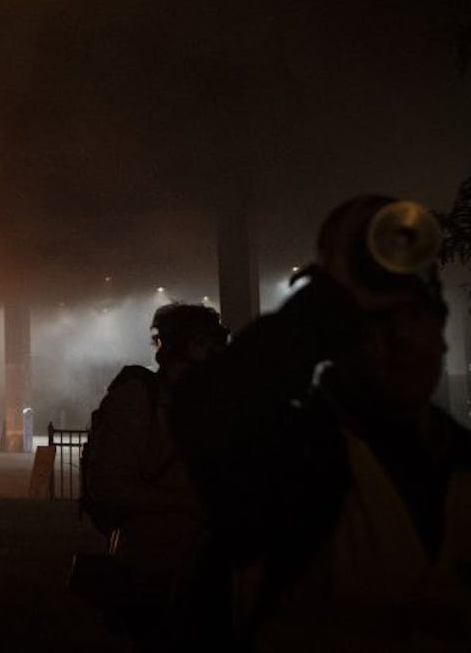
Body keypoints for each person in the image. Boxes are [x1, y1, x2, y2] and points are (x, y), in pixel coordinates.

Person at [170, 194, 471, 651]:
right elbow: (208, 408)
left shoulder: (463, 465)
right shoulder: (296, 459)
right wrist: (330, 297)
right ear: (333, 335)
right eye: (373, 323)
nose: (401, 339)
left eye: (415, 315)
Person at [78, 302, 230, 650]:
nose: (222, 350)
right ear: (186, 346)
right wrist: (189, 503)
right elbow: (106, 485)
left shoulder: (211, 403)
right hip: (153, 565)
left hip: (209, 566)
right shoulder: (137, 400)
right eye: (212, 341)